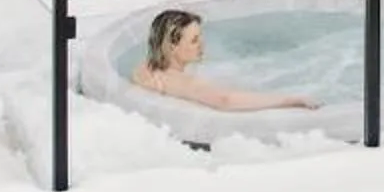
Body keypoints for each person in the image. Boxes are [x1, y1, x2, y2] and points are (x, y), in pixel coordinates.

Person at [130, 8, 317, 112]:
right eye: (194, 40)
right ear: (172, 46)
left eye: (200, 37)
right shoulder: (181, 82)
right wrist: (290, 100)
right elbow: (224, 100)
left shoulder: (145, 68)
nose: (202, 45)